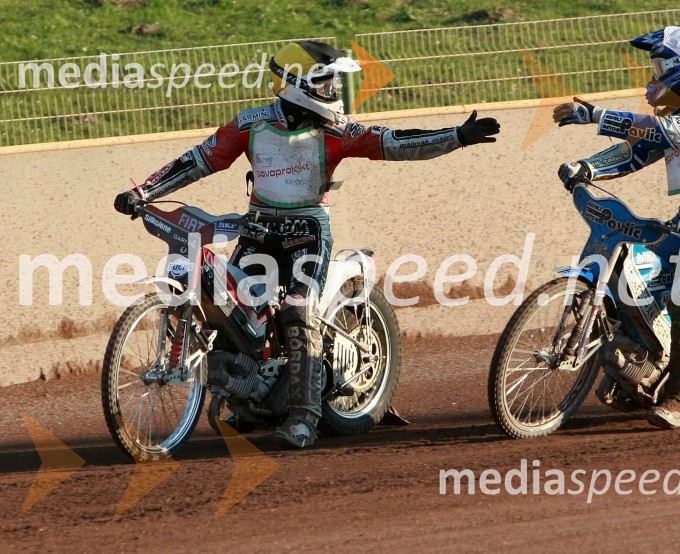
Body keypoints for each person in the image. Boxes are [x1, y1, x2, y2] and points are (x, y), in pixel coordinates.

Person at [114, 40, 500, 448]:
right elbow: (198, 160)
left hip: (308, 234)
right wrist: (144, 192)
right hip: (258, 230)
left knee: (297, 309)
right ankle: (247, 396)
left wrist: (457, 136)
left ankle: (303, 418)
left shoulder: (338, 130)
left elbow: (392, 142)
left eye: (334, 81)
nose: (334, 90)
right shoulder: (250, 125)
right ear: (294, 83)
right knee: (226, 309)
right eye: (325, 82)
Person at [553, 26, 680, 429]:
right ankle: (644, 361)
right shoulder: (676, 115)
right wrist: (587, 168)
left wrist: (596, 115)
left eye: (661, 67)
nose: (654, 76)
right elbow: (638, 151)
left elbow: (671, 133)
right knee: (629, 278)